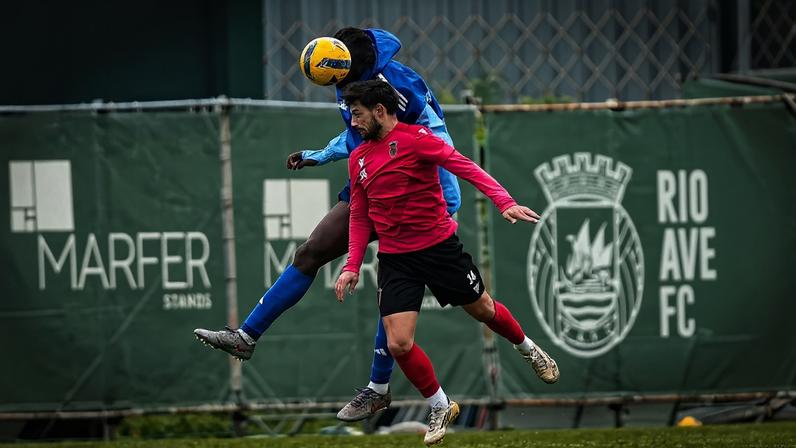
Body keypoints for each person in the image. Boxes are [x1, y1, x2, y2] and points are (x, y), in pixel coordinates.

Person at [193, 27, 462, 421]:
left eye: (335, 75)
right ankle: (246, 337)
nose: (333, 84)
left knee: (408, 306)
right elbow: (359, 133)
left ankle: (378, 389)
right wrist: (321, 154)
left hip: (419, 198)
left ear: (348, 64)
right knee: (310, 252)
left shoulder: (395, 84)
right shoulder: (349, 82)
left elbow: (432, 135)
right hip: (373, 181)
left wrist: (443, 197)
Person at [334, 79, 560, 446]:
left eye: (357, 114)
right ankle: (440, 404)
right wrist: (351, 265)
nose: (352, 121)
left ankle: (527, 348)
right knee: (399, 344)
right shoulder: (359, 157)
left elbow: (464, 166)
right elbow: (360, 215)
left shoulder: (417, 139)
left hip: (440, 250)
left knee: (485, 310)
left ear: (379, 111)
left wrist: (504, 201)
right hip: (395, 260)